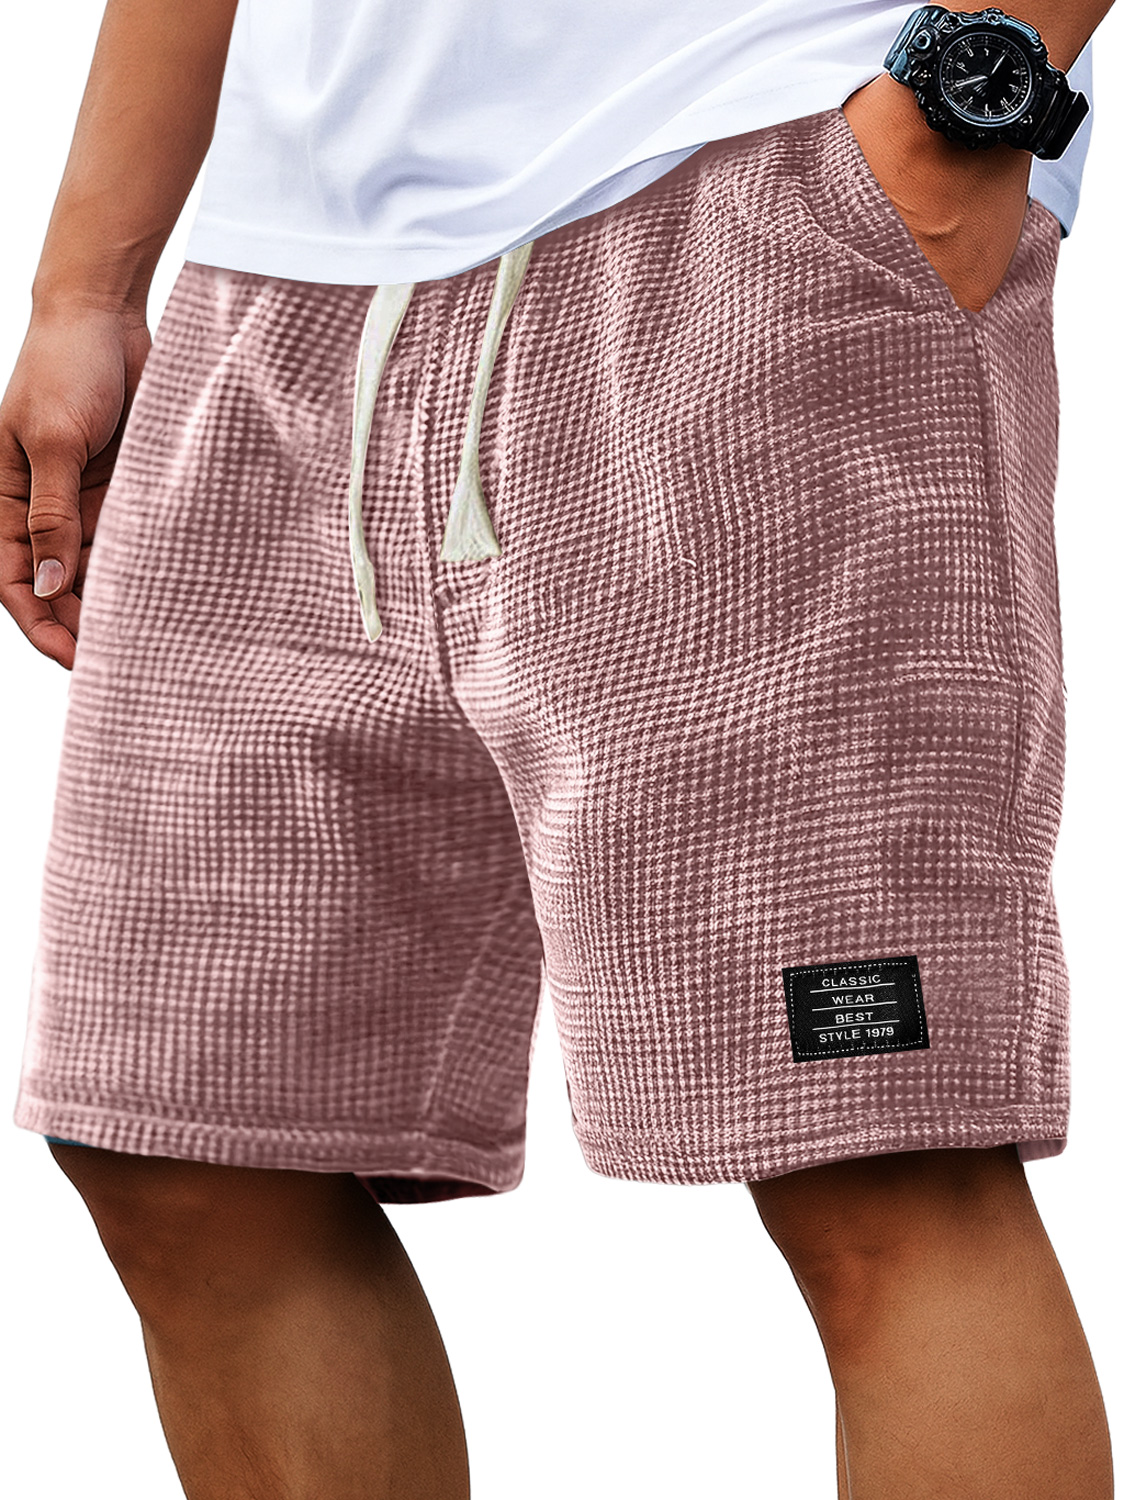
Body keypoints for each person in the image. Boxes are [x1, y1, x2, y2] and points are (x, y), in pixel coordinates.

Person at [1, 1, 1115, 1495]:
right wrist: (85, 281)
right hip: (278, 283)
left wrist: (963, 101)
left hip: (744, 211)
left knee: (874, 1148)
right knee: (182, 1136)